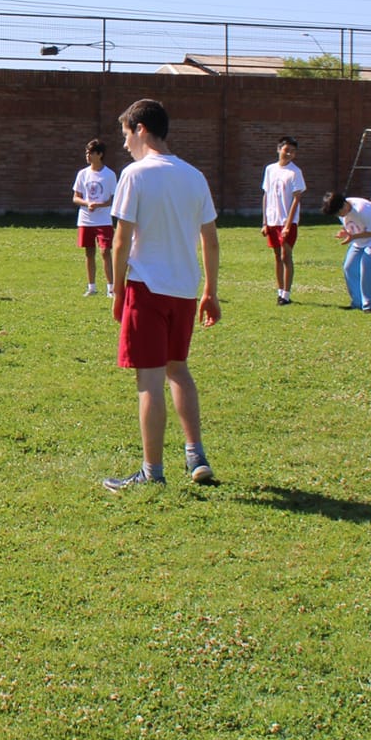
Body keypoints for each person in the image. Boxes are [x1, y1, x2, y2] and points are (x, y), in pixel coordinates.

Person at [101, 99, 220, 493]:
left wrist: (118, 290)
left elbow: (121, 240)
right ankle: (196, 455)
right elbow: (210, 239)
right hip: (184, 291)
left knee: (149, 378)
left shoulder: (134, 175)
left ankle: (152, 472)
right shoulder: (195, 176)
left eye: (125, 135)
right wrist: (210, 291)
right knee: (178, 369)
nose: (124, 145)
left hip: (146, 288)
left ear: (140, 130)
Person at [323, 190, 371, 312]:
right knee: (349, 267)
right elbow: (351, 225)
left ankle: (370, 306)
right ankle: (357, 302)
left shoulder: (362, 209)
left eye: (339, 212)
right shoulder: (342, 212)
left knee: (367, 268)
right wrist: (346, 232)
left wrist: (353, 236)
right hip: (359, 239)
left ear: (344, 205)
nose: (340, 215)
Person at [260, 136, 305, 305]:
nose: (289, 154)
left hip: (287, 221)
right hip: (273, 220)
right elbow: (266, 195)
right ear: (279, 149)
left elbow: (296, 198)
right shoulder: (270, 169)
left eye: (293, 151)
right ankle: (279, 291)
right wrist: (265, 222)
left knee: (286, 256)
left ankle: (286, 294)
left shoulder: (295, 172)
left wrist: (288, 225)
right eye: (286, 150)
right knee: (277, 256)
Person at [72, 138, 118, 298]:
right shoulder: (82, 174)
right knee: (89, 252)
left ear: (100, 154)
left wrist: (99, 205)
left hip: (103, 220)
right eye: (87, 152)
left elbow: (113, 199)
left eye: (91, 153)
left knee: (105, 251)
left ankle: (111, 288)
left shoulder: (109, 175)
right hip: (85, 220)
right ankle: (91, 287)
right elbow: (76, 197)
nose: (88, 155)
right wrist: (87, 203)